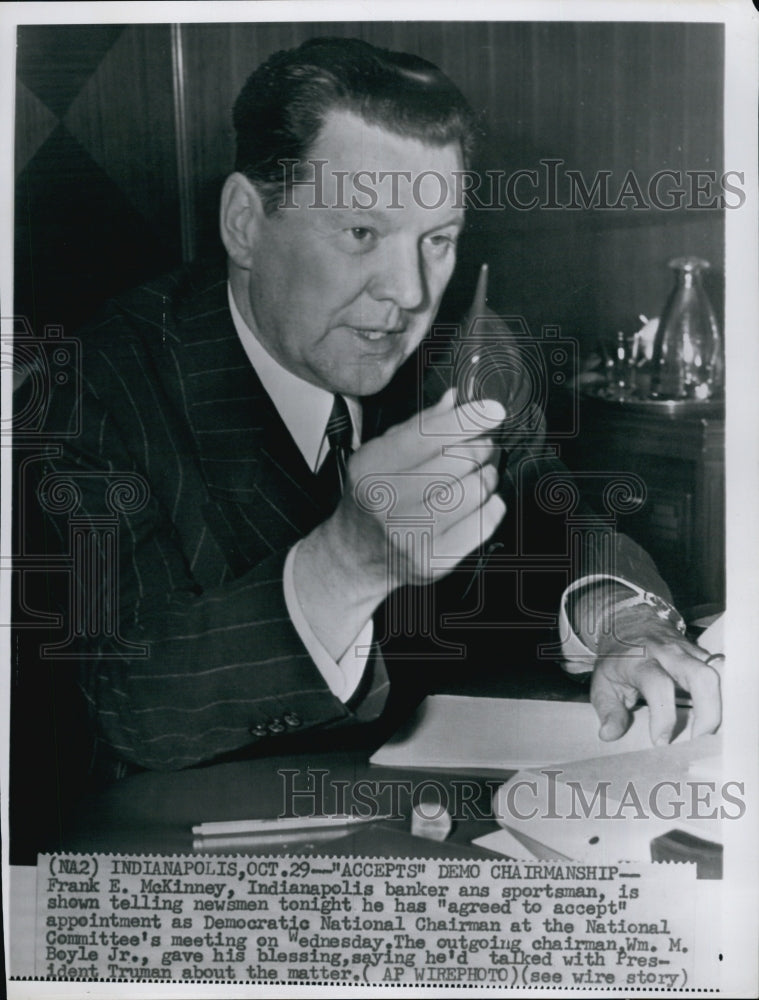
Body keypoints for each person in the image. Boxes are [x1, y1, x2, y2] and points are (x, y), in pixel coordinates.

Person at [30, 36, 721, 778]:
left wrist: (618, 618)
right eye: (361, 233)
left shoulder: (471, 351)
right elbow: (121, 706)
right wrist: (345, 564)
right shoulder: (92, 386)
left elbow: (553, 525)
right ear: (244, 223)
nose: (410, 293)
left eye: (438, 240)